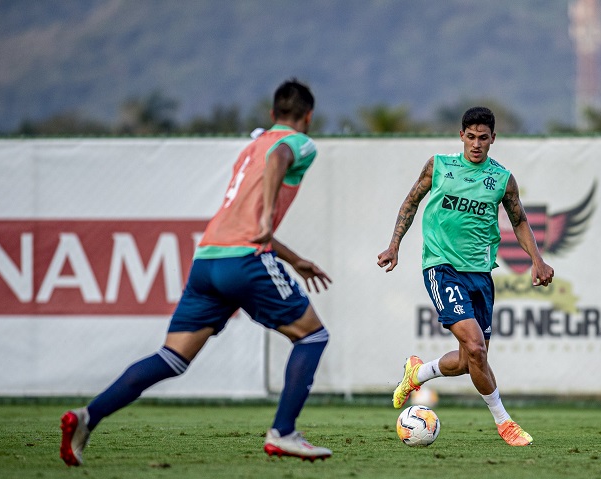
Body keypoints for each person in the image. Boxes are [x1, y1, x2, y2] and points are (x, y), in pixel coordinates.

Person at [60, 79, 333, 465]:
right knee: (312, 336)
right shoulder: (297, 142)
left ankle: (88, 417)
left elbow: (247, 219)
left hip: (208, 259)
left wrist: (293, 258)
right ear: (307, 117)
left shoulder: (249, 149)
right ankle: (283, 432)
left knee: (173, 357)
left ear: (272, 114)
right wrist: (270, 220)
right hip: (246, 260)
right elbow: (279, 159)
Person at [377, 106, 554, 446]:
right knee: (475, 347)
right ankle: (505, 423)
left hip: (480, 275)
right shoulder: (440, 166)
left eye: (483, 138)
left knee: (470, 358)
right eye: (470, 137)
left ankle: (418, 372)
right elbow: (411, 201)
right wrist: (394, 245)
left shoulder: (502, 179)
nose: (476, 144)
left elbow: (518, 220)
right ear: (461, 136)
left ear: (493, 139)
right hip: (442, 268)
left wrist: (537, 260)